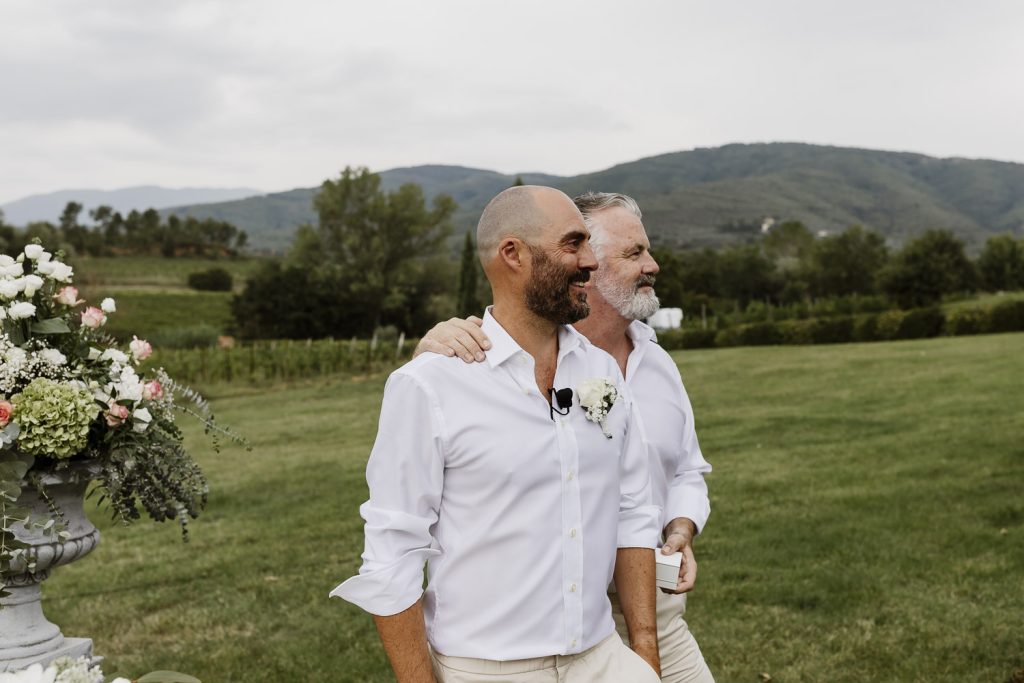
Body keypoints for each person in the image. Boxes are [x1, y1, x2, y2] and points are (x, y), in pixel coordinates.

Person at [332, 186, 662, 683]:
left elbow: (633, 512)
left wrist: (644, 654)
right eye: (573, 244)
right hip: (487, 670)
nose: (591, 261)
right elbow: (392, 555)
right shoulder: (430, 385)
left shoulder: (601, 372)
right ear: (513, 254)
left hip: (605, 660)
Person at [416, 191, 715, 683]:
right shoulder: (481, 355)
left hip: (655, 610)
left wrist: (680, 530)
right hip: (543, 629)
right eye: (634, 253)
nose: (652, 265)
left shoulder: (658, 363)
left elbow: (687, 468)